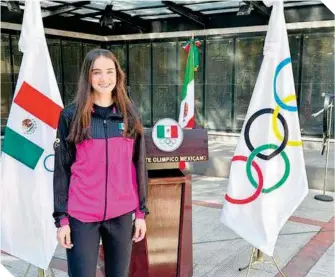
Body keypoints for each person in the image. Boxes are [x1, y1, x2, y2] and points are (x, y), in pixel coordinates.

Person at [52, 48, 149, 277]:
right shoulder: (71, 116)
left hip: (122, 214)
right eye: (97, 72)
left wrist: (141, 213)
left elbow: (139, 166)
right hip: (81, 215)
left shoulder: (129, 115)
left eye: (109, 71)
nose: (104, 79)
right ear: (88, 76)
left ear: (118, 75)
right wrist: (62, 220)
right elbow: (62, 170)